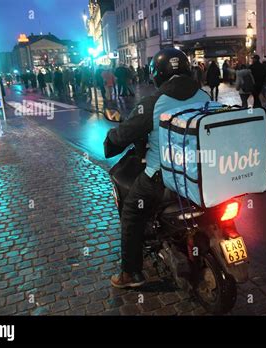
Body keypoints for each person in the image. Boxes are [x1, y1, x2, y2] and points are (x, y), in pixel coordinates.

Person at [104, 48, 211, 288]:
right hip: (198, 173)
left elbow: (125, 134)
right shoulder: (204, 97)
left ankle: (130, 273)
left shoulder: (153, 103)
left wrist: (111, 139)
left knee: (132, 212)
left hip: (162, 177)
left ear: (157, 75)